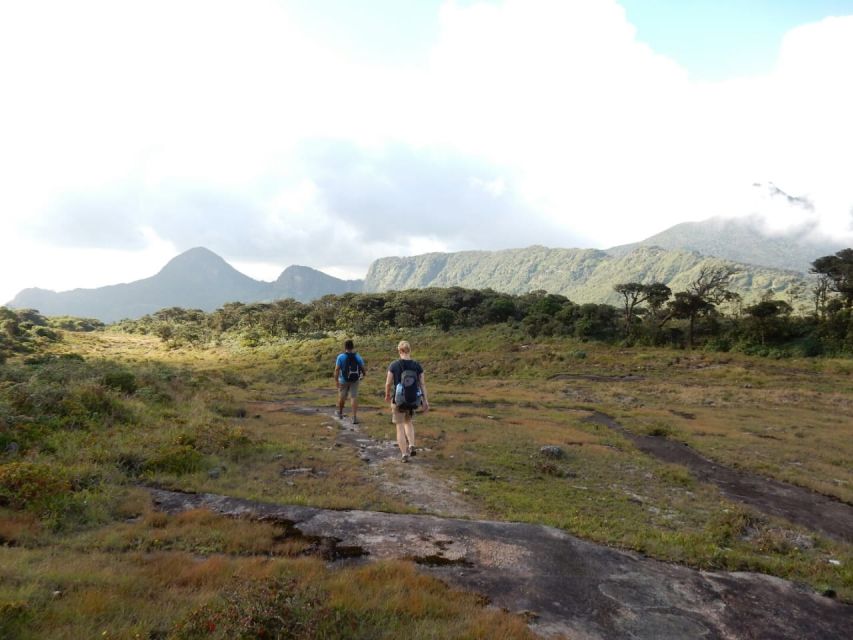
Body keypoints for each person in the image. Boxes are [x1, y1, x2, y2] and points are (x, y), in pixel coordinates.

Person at [384, 340, 429, 462]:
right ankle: (412, 444)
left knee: (399, 427)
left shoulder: (394, 365)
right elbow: (422, 384)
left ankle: (404, 454)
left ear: (399, 351)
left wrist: (387, 395)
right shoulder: (417, 365)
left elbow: (388, 383)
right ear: (409, 350)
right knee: (408, 422)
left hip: (398, 400)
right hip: (412, 399)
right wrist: (425, 401)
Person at [334, 339, 366, 423]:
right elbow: (363, 368)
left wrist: (336, 381)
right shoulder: (357, 356)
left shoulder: (340, 357)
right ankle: (354, 417)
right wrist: (363, 375)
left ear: (345, 347)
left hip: (343, 380)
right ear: (353, 347)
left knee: (342, 396)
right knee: (353, 397)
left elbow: (337, 369)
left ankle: (340, 413)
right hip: (355, 380)